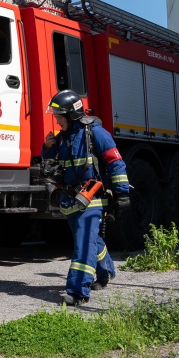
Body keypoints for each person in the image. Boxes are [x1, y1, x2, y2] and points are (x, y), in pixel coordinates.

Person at [42, 90, 130, 305]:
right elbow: (50, 166)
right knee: (92, 241)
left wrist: (122, 193)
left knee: (83, 245)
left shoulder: (96, 133)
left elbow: (115, 163)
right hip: (72, 200)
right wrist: (47, 148)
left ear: (72, 114)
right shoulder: (62, 138)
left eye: (59, 116)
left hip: (93, 199)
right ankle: (106, 271)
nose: (56, 120)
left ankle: (78, 291)